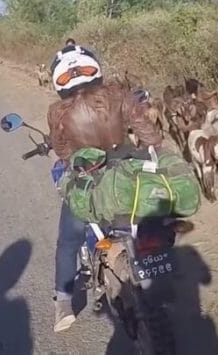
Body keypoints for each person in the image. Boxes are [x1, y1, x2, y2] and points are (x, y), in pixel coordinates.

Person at [45, 45, 161, 332]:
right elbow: (149, 133)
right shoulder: (119, 94)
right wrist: (148, 152)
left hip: (89, 183)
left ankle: (63, 305)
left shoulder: (57, 111)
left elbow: (62, 151)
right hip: (128, 175)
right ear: (94, 67)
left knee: (68, 242)